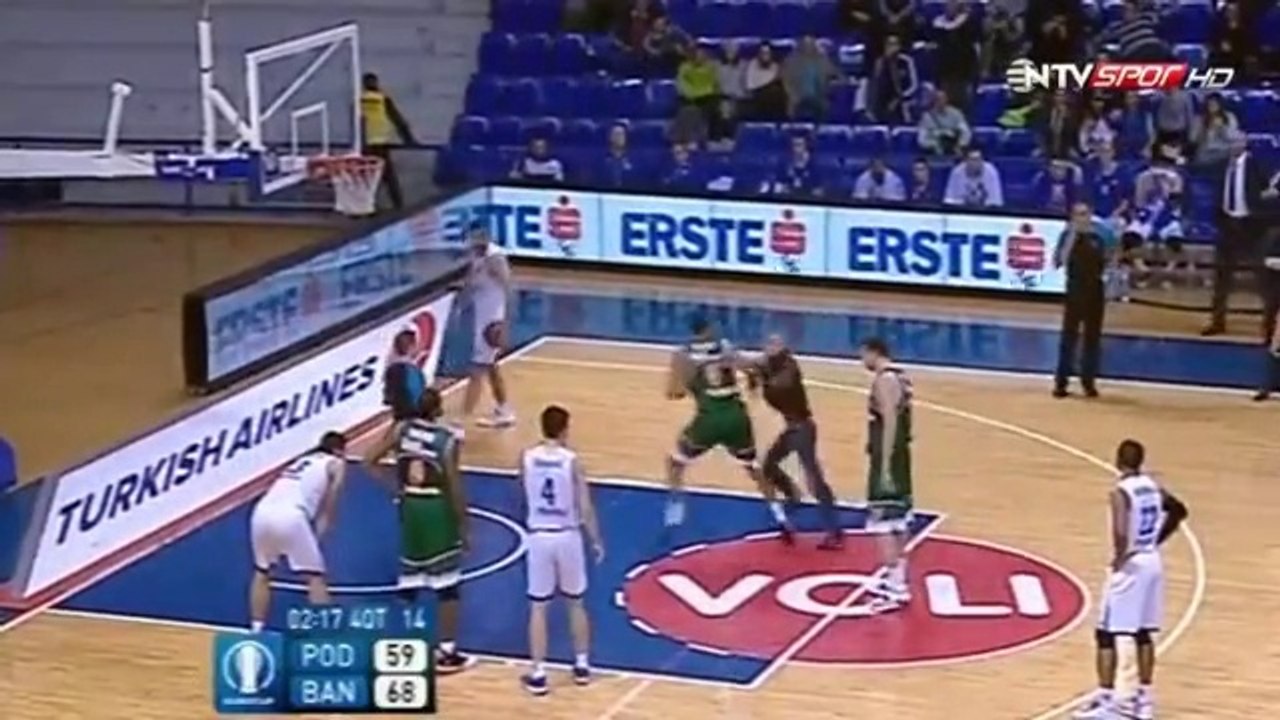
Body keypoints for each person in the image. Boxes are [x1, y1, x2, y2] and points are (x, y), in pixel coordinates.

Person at [1073, 439, 1188, 720]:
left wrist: (1120, 556)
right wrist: (1156, 540)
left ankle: (1107, 700)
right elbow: (1179, 510)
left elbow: (1121, 531)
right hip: (1152, 561)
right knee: (1143, 632)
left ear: (1117, 460)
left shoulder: (1120, 492)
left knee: (1106, 634)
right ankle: (1144, 700)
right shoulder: (1151, 485)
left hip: (1132, 564)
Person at [362, 388, 474, 673]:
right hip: (435, 509)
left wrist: (397, 490)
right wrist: (464, 525)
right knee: (447, 585)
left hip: (410, 508)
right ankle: (447, 651)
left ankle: (396, 645)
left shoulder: (401, 429)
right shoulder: (446, 441)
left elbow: (368, 461)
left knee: (411, 581)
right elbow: (454, 486)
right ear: (438, 410)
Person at [663, 314, 791, 538]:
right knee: (754, 469)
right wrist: (752, 384)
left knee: (674, 463)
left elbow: (674, 393)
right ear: (710, 328)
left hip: (710, 420)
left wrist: (687, 383)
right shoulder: (724, 347)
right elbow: (752, 369)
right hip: (737, 418)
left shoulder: (682, 355)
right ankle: (779, 515)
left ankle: (676, 510)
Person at [518, 405, 604, 695]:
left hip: (540, 536)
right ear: (565, 429)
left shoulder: (527, 458)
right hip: (567, 536)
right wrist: (595, 539)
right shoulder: (572, 461)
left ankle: (539, 673)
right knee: (576, 602)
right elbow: (585, 505)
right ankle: (582, 666)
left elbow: (525, 491)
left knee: (538, 608)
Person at [747, 334, 841, 548]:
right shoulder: (771, 364)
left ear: (783, 349)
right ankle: (792, 495)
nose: (768, 347)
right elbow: (751, 364)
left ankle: (834, 532)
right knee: (769, 465)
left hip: (802, 429)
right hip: (793, 429)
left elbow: (777, 388)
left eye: (774, 344)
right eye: (767, 343)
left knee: (814, 479)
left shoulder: (789, 370)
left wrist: (758, 376)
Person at [248, 432, 347, 632]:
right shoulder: (336, 462)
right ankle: (326, 634)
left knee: (262, 572)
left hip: (261, 512)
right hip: (291, 516)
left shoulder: (300, 460)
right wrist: (320, 533)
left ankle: (256, 630)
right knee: (315, 576)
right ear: (339, 450)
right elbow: (331, 501)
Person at [859, 338, 914, 611]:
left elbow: (890, 420)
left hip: (889, 457)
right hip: (900, 457)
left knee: (881, 522)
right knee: (899, 521)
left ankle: (896, 589)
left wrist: (883, 465)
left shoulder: (885, 380)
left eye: (863, 355)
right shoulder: (902, 377)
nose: (862, 362)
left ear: (873, 353)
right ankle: (898, 581)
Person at [1206, 130, 1267, 336]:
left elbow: (1268, 193)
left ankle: (1269, 324)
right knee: (1222, 277)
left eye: (1237, 141)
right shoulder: (1221, 166)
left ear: (1245, 143)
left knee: (1263, 277)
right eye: (1230, 142)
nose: (1233, 145)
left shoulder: (1257, 165)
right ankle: (1217, 321)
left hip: (1252, 227)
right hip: (1227, 225)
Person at [1054, 202, 1117, 398]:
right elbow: (1059, 261)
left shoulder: (1102, 235)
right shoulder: (1067, 235)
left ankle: (1088, 381)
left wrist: (1110, 281)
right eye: (1078, 215)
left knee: (1092, 338)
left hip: (1095, 289)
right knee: (1069, 337)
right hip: (1074, 289)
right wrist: (1073, 235)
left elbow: (1111, 257)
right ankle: (1061, 382)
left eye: (1085, 214)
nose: (1082, 218)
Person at [460, 220, 516, 429]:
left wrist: (506, 325)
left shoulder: (496, 259)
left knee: (476, 371)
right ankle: (505, 410)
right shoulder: (477, 257)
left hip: (491, 324)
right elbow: (471, 284)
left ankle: (460, 423)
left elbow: (509, 291)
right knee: (491, 368)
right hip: (482, 318)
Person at [360, 72, 416, 210]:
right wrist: (409, 140)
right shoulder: (383, 99)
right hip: (380, 142)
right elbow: (398, 120)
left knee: (367, 179)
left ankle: (366, 206)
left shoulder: (359, 100)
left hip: (364, 144)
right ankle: (398, 206)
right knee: (389, 178)